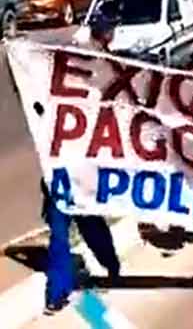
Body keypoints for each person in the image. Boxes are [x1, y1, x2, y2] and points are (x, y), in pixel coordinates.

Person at [43, 18, 122, 314]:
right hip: (65, 172)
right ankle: (57, 292)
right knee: (64, 236)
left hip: (76, 171)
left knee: (83, 229)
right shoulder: (90, 66)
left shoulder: (103, 64)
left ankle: (110, 266)